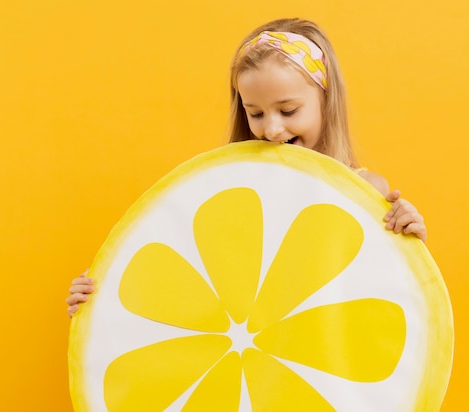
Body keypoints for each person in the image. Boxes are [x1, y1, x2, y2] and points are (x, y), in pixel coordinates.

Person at [66, 18, 426, 317]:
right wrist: (105, 294)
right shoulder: (228, 196)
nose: (271, 129)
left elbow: (384, 295)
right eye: (255, 113)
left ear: (326, 100)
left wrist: (411, 243)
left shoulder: (368, 192)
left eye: (288, 111)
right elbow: (187, 282)